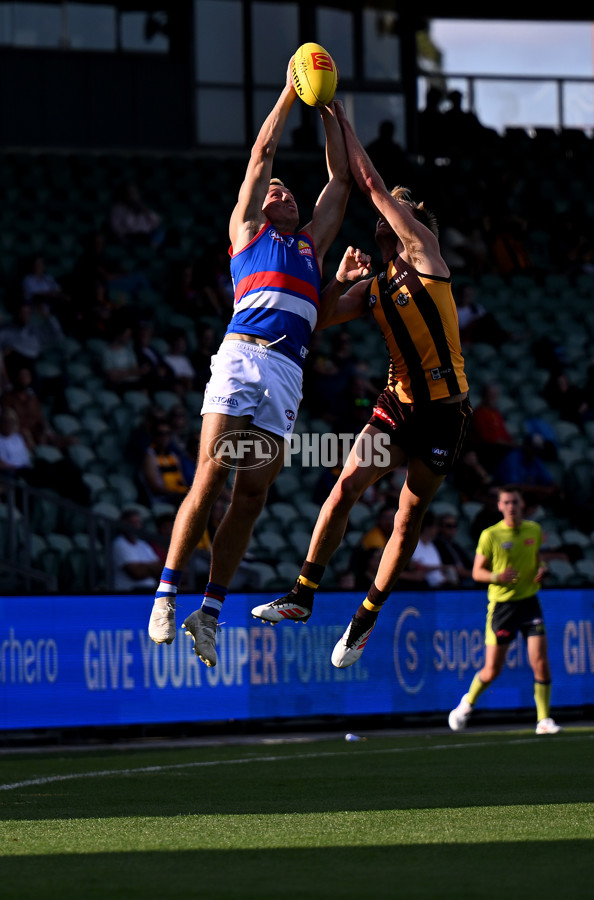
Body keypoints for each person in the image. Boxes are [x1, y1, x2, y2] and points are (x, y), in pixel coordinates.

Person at [147, 60, 364, 666]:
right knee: (211, 477)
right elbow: (263, 148)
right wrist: (291, 94)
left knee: (251, 497)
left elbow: (341, 182)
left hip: (287, 374)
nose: (281, 190)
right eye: (275, 190)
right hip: (243, 358)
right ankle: (166, 592)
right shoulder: (247, 231)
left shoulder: (310, 247)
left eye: (288, 189)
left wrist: (332, 113)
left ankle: (208, 612)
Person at [251, 99, 471, 669]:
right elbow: (314, 318)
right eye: (383, 213)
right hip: (396, 407)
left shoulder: (427, 257)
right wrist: (340, 279)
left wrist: (342, 122)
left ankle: (367, 616)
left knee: (407, 517)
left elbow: (369, 182)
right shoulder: (374, 288)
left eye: (392, 211)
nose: (381, 216)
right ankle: (302, 595)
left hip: (444, 414)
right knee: (345, 485)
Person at [448, 486, 562, 735]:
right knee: (492, 670)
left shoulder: (533, 529)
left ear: (522, 504)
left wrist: (541, 569)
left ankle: (543, 720)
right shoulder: (490, 535)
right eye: (507, 502)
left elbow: (536, 559)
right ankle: (466, 704)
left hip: (529, 602)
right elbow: (477, 572)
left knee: (540, 662)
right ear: (500, 506)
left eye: (515, 502)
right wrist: (498, 576)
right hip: (503, 607)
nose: (511, 506)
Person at [112, 508, 163, 592]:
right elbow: (137, 573)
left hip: (151, 590)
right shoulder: (119, 544)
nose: (135, 526)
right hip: (129, 593)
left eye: (138, 522)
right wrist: (152, 567)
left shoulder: (143, 544)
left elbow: (160, 567)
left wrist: (143, 566)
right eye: (132, 522)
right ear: (123, 524)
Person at [434, 513, 474, 587]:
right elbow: (452, 568)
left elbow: (470, 564)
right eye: (449, 526)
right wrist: (475, 574)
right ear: (440, 527)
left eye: (455, 525)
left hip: (465, 579)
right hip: (450, 584)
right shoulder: (436, 545)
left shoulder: (455, 545)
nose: (452, 529)